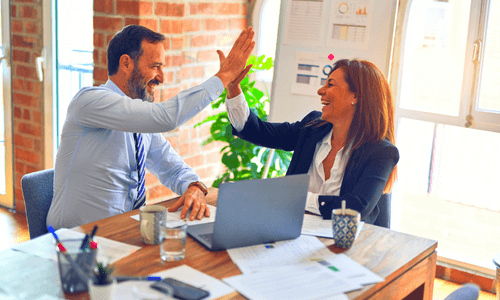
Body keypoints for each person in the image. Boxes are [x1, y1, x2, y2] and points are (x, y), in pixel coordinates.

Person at [47, 25, 255, 229]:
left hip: (123, 232)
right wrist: (224, 76)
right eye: (156, 66)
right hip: (76, 240)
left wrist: (194, 186)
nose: (161, 78)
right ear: (126, 63)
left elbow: (171, 167)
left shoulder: (139, 121)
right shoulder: (90, 101)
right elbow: (166, 117)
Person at [225, 59, 399, 225]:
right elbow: (260, 132)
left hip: (348, 245)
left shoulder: (381, 152)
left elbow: (356, 207)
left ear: (356, 96)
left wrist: (296, 196)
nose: (320, 91)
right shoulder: (312, 127)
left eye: (330, 84)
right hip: (293, 232)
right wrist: (233, 89)